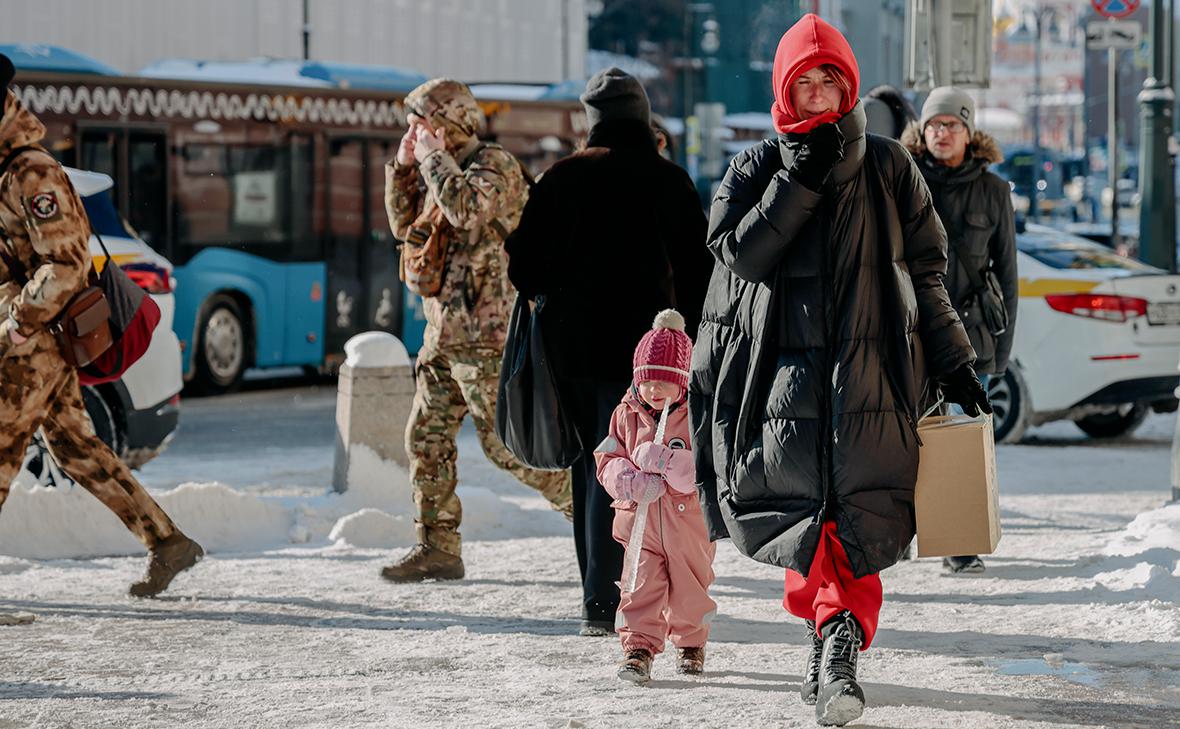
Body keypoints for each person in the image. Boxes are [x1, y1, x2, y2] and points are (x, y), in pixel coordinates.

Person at [688, 15, 988, 726]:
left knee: (856, 522)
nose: (820, 92)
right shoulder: (756, 166)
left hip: (873, 379)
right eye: (805, 81)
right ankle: (834, 641)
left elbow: (928, 274)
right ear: (784, 90)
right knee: (804, 520)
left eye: (832, 80)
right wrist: (801, 179)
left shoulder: (889, 166)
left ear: (850, 86)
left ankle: (837, 644)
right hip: (779, 386)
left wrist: (955, 361)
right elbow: (740, 255)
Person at [506, 68, 713, 636]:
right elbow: (700, 272)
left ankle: (599, 600)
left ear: (592, 121)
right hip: (652, 361)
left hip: (572, 353)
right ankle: (650, 595)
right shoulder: (667, 180)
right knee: (658, 468)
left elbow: (524, 269)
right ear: (643, 118)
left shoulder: (562, 178)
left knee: (596, 467)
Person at [0, 53, 203, 598]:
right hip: (33, 336)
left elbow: (65, 262)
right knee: (78, 449)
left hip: (33, 338)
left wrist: (20, 321)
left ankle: (166, 542)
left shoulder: (32, 172)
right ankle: (167, 542)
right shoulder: (6, 172)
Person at [382, 78, 573, 582]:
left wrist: (430, 162)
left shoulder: (494, 164)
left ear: (451, 122)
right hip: (444, 334)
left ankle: (597, 514)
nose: (414, 130)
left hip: (490, 336)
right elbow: (406, 229)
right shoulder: (437, 167)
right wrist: (403, 168)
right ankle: (437, 546)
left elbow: (466, 211)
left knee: (510, 448)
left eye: (422, 121)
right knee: (425, 438)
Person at [902, 87, 1018, 575]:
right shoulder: (902, 180)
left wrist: (1001, 352)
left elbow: (1007, 274)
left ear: (969, 133)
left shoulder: (993, 191)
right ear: (922, 132)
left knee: (962, 441)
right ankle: (898, 533)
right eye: (933, 125)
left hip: (969, 338)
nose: (941, 133)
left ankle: (960, 540)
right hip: (909, 333)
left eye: (951, 124)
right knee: (903, 436)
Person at [594, 310, 716, 684]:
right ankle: (638, 649)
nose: (654, 391)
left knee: (689, 591)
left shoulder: (697, 416)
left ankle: (691, 642)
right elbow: (606, 458)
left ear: (682, 383)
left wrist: (664, 460)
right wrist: (627, 479)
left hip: (687, 526)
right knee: (639, 587)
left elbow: (704, 471)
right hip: (638, 526)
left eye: (665, 382)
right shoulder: (625, 414)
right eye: (648, 381)